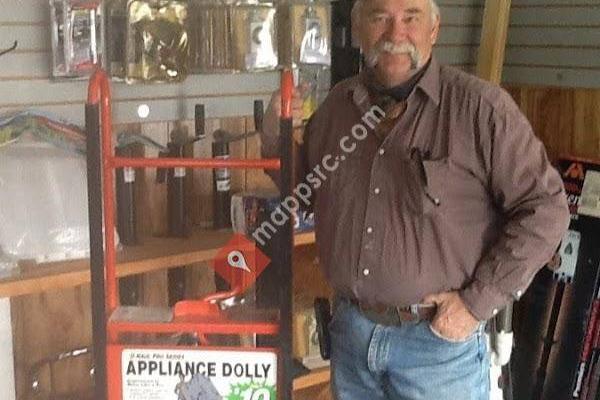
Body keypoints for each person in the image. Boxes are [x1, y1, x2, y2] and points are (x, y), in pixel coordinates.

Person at [261, 0, 570, 398]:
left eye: (411, 17)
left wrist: (476, 303)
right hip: (352, 339)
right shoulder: (337, 108)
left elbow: (546, 209)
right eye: (380, 17)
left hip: (438, 349)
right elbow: (304, 192)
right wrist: (274, 133)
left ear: (434, 29)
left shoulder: (480, 110)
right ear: (358, 28)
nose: (396, 33)